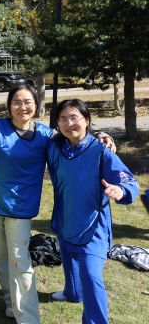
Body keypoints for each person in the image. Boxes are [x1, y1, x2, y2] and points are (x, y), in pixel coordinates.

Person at [0, 85, 116, 323]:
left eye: (27, 102)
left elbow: (74, 133)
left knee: (19, 258)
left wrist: (104, 135)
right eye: (17, 102)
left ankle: (28, 318)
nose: (22, 107)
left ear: (36, 104)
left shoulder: (45, 134)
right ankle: (10, 300)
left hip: (21, 203)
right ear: (9, 106)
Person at [47, 99, 138, 324]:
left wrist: (120, 190)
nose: (69, 123)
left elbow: (129, 182)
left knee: (90, 274)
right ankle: (72, 293)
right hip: (66, 218)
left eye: (74, 117)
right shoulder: (55, 147)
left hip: (93, 226)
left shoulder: (101, 151)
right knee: (69, 260)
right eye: (63, 119)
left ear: (87, 120)